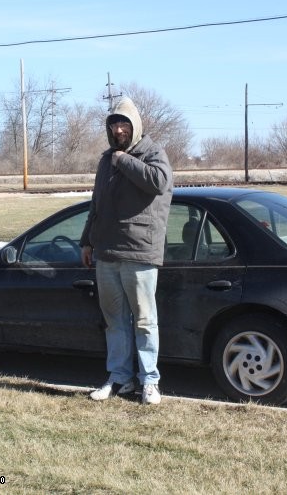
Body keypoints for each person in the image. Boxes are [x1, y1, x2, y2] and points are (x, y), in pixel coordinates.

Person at [80, 96, 173, 405]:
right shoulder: (106, 160)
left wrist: (125, 160)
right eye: (114, 124)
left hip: (139, 252)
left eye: (123, 123)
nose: (118, 129)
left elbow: (159, 182)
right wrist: (86, 240)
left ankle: (150, 382)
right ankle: (120, 378)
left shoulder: (153, 153)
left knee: (145, 321)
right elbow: (97, 203)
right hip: (107, 253)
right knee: (114, 321)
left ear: (135, 126)